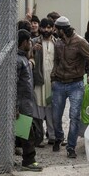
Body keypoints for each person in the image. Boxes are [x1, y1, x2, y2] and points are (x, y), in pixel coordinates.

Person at [51, 16, 89, 158]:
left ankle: (71, 147)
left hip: (76, 84)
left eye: (56, 29)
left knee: (74, 116)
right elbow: (56, 61)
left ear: (62, 30)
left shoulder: (80, 42)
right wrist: (53, 76)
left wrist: (88, 73)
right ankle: (58, 137)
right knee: (56, 116)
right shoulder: (58, 43)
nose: (54, 31)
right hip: (59, 82)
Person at [16, 29, 43, 171]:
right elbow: (13, 85)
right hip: (22, 104)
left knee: (25, 131)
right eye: (29, 42)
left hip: (26, 102)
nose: (31, 44)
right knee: (27, 132)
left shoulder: (22, 58)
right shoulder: (18, 60)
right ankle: (29, 160)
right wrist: (15, 106)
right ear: (24, 42)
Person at [32, 18, 57, 147]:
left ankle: (52, 136)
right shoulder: (34, 42)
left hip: (52, 81)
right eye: (44, 27)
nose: (46, 30)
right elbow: (27, 57)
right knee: (38, 110)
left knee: (51, 110)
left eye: (49, 27)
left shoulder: (57, 43)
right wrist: (32, 49)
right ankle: (39, 138)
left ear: (53, 29)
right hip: (39, 81)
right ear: (40, 28)